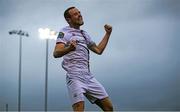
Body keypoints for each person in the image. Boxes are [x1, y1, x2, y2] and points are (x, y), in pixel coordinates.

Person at [53, 6, 113, 112]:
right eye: (75, 14)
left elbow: (98, 50)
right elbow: (56, 53)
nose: (80, 15)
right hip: (74, 76)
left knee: (109, 108)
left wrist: (107, 34)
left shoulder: (84, 34)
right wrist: (69, 48)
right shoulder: (64, 32)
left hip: (88, 77)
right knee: (79, 109)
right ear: (68, 19)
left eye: (79, 12)